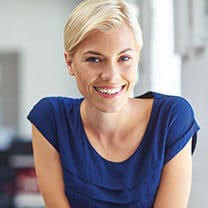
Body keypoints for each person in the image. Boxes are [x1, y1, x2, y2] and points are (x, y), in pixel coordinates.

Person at [27, 0, 200, 207]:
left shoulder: (172, 118)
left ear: (137, 58)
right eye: (94, 59)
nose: (111, 75)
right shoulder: (51, 119)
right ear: (69, 62)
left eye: (124, 58)